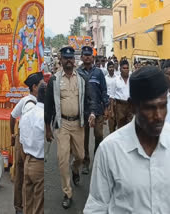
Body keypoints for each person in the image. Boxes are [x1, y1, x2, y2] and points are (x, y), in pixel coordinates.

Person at [84, 66, 170, 214]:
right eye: (150, 108)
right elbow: (97, 207)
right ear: (133, 106)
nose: (159, 116)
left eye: (163, 106)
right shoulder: (109, 150)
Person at [45, 46, 95, 209]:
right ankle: (67, 193)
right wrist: (47, 127)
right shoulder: (54, 80)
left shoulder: (81, 79)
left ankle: (76, 169)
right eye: (65, 58)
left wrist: (91, 113)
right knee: (62, 159)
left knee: (80, 156)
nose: (68, 61)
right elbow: (49, 105)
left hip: (78, 124)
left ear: (74, 60)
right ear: (61, 60)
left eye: (71, 58)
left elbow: (88, 99)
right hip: (63, 125)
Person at [10, 72, 44, 214]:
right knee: (22, 174)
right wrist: (13, 135)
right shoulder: (27, 102)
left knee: (26, 175)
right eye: (41, 84)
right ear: (35, 87)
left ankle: (24, 206)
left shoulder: (34, 103)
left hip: (25, 140)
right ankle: (19, 205)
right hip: (24, 141)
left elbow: (13, 117)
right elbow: (12, 116)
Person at [77, 46, 107, 175]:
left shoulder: (99, 73)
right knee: (84, 139)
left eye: (90, 55)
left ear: (93, 57)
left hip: (98, 110)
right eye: (85, 55)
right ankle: (85, 163)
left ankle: (97, 160)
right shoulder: (78, 73)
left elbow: (104, 90)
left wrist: (106, 107)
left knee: (99, 136)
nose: (88, 57)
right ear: (82, 57)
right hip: (84, 111)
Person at [20, 82, 46, 214]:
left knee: (28, 203)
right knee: (38, 206)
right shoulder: (45, 118)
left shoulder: (27, 115)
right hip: (39, 162)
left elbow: (22, 142)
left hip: (28, 161)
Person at [13, 4, 44, 86]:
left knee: (33, 79)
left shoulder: (37, 31)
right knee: (22, 79)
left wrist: (43, 60)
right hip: (24, 57)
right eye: (27, 18)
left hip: (34, 58)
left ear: (34, 20)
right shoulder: (22, 30)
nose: (29, 20)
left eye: (31, 18)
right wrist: (15, 54)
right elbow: (17, 42)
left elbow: (40, 45)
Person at [109, 59, 133, 128]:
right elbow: (112, 96)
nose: (126, 70)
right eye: (124, 68)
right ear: (120, 69)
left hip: (130, 105)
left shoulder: (132, 79)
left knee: (130, 126)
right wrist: (112, 111)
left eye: (127, 68)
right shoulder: (115, 80)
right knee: (121, 126)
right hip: (120, 106)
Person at [104, 61, 117, 133]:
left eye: (112, 67)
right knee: (111, 121)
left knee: (116, 120)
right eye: (110, 67)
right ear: (107, 69)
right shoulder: (105, 78)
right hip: (108, 102)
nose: (111, 69)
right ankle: (111, 133)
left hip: (116, 101)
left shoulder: (118, 78)